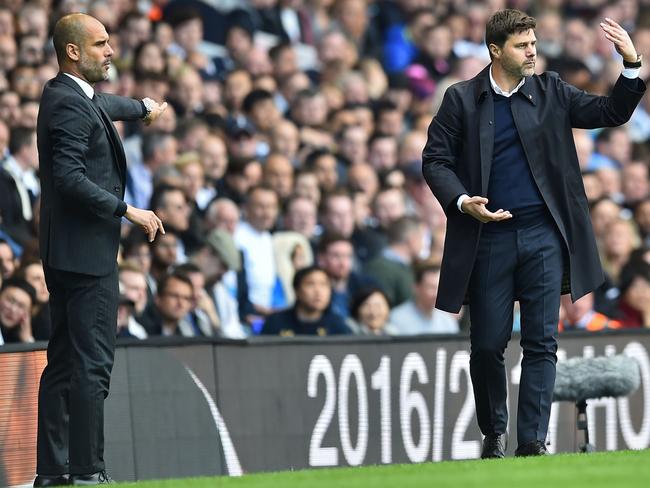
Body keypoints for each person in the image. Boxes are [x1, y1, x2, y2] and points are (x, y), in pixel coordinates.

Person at [422, 9, 645, 459]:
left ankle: (531, 443)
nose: (532, 51)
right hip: (489, 238)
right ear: (494, 50)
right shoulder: (461, 99)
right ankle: (494, 432)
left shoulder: (551, 91)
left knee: (543, 342)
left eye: (533, 43)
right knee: (486, 345)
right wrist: (464, 202)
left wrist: (631, 64)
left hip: (545, 236)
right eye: (522, 45)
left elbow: (611, 111)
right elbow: (435, 161)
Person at [35, 13, 167, 487]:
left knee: (64, 363)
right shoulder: (71, 106)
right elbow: (69, 178)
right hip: (88, 254)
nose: (111, 50)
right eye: (101, 43)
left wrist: (140, 106)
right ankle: (88, 471)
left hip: (63, 252)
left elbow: (102, 103)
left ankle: (52, 471)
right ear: (74, 51)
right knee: (92, 365)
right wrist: (126, 210)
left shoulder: (64, 94)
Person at [261, 265, 351, 336]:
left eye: (323, 285)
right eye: (310, 284)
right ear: (297, 290)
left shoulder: (337, 326)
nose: (318, 291)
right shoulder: (276, 322)